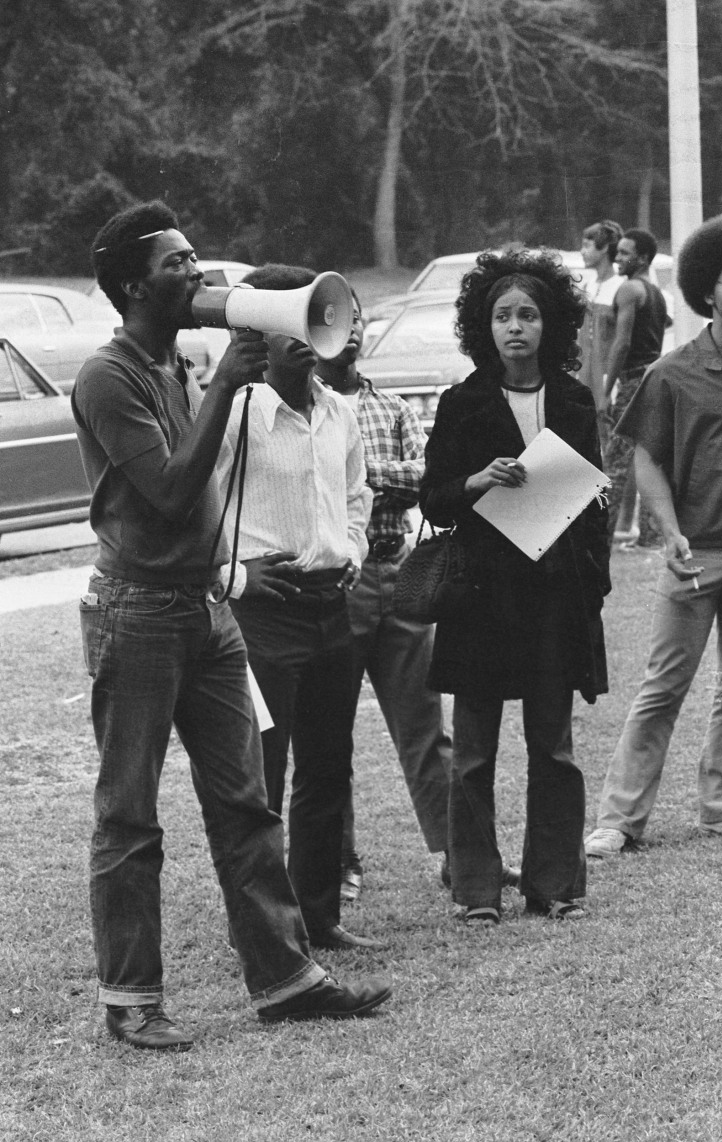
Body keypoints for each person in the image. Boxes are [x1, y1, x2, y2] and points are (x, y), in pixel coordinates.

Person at [72, 203, 390, 1051]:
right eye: (178, 265)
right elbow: (172, 493)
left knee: (245, 802)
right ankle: (131, 998)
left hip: (205, 610)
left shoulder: (177, 364)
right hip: (137, 613)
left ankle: (285, 978)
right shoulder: (109, 377)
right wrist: (226, 386)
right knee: (130, 815)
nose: (199, 275)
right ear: (134, 285)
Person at [420, 248, 611, 926]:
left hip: (554, 597)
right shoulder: (462, 401)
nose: (516, 328)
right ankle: (475, 889)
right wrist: (476, 482)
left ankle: (554, 884)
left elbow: (589, 499)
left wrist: (593, 584)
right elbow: (434, 498)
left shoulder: (575, 400)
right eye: (502, 315)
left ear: (550, 324)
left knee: (552, 748)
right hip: (480, 597)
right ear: (484, 325)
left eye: (529, 314)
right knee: (473, 751)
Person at [217, 263, 381, 953]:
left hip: (329, 610)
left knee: (327, 767)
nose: (307, 339)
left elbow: (357, 497)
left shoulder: (338, 412)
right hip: (266, 617)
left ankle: (319, 918)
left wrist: (351, 555)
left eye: (315, 322)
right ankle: (263, 928)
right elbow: (202, 501)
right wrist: (237, 576)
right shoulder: (235, 413)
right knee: (263, 776)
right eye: (290, 325)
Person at [585, 216, 722, 858]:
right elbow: (646, 458)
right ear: (706, 294)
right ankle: (620, 819)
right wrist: (670, 530)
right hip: (696, 554)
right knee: (663, 686)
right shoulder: (674, 372)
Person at [314, 291, 452, 901]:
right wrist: (373, 479)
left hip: (398, 575)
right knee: (327, 733)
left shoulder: (390, 405)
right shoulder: (302, 410)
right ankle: (337, 864)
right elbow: (318, 487)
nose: (348, 332)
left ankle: (458, 854)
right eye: (334, 322)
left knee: (425, 726)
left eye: (356, 319)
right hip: (336, 584)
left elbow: (425, 477)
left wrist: (360, 478)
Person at [602, 228, 668, 543]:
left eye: (625, 253)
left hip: (632, 384)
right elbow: (661, 327)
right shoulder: (655, 293)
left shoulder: (629, 290)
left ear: (642, 258)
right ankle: (651, 537)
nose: (618, 258)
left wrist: (606, 390)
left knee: (615, 461)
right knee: (650, 460)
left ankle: (600, 534)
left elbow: (622, 344)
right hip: (656, 379)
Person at [577, 219, 624, 447]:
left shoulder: (621, 286)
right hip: (586, 372)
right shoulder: (588, 286)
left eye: (587, 245)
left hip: (607, 373)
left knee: (610, 434)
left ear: (604, 248)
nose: (582, 252)